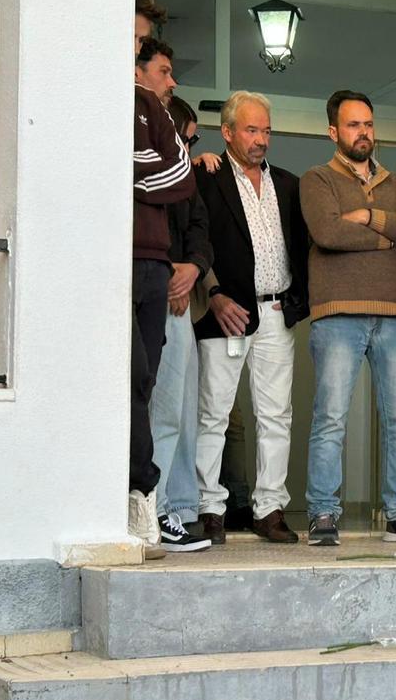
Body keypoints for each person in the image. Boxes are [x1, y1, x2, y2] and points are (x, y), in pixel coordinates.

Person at [301, 90, 396, 547]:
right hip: (337, 312)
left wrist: (369, 216)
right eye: (354, 125)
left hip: (395, 314)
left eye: (369, 124)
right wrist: (386, 238)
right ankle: (323, 513)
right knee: (331, 418)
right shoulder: (316, 179)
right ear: (334, 132)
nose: (364, 133)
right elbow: (327, 232)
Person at [192, 91, 309, 545]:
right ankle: (210, 508)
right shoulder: (208, 177)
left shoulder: (288, 183)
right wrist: (214, 295)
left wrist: (298, 298)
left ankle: (270, 509)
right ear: (227, 132)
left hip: (276, 311)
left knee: (277, 415)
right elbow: (194, 241)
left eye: (266, 130)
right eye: (251, 130)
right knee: (213, 414)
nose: (261, 139)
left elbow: (300, 246)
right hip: (227, 313)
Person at [129, 39, 196, 556]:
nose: (171, 81)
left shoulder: (158, 110)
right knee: (127, 379)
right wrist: (151, 168)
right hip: (118, 257)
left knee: (145, 382)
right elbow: (146, 168)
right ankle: (135, 495)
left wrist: (145, 171)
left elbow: (179, 175)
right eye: (164, 71)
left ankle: (141, 499)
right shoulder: (121, 102)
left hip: (152, 262)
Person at [146, 95, 212, 552]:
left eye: (191, 141)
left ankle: (180, 508)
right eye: (185, 140)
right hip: (156, 295)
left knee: (184, 409)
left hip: (181, 299)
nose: (189, 148)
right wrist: (170, 273)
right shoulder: (149, 175)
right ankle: (157, 507)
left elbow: (199, 231)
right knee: (163, 410)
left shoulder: (187, 179)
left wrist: (192, 269)